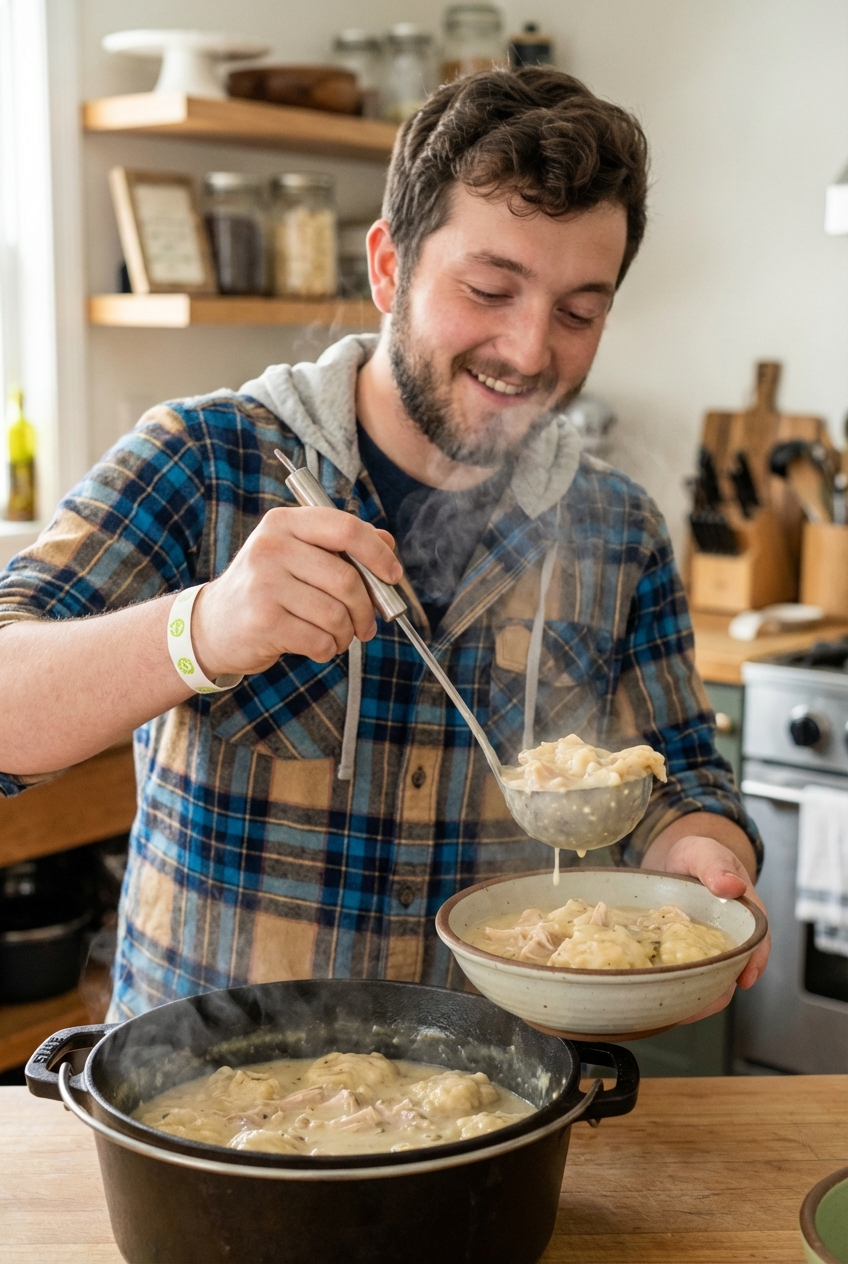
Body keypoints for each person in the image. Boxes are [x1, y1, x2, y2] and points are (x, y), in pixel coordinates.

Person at [0, 67, 769, 1021]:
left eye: (578, 310)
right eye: (491, 289)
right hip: (211, 1108)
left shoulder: (618, 530)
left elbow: (681, 777)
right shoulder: (205, 459)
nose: (531, 352)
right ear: (388, 269)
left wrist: (703, 854)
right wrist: (200, 630)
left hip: (493, 1104)